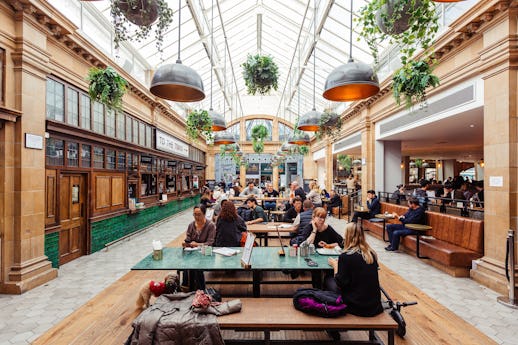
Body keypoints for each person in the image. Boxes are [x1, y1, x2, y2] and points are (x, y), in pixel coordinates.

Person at [326, 223, 384, 317]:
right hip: (374, 305)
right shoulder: (371, 254)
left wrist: (335, 265)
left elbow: (340, 283)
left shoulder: (345, 256)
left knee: (328, 279)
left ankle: (334, 315)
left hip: (356, 306)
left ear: (348, 236)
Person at [182, 204, 216, 290]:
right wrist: (185, 243)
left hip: (206, 253)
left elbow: (210, 243)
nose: (196, 217)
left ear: (204, 214)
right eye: (194, 214)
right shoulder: (191, 225)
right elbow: (188, 239)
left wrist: (197, 244)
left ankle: (201, 290)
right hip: (193, 253)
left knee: (197, 267)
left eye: (199, 214)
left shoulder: (210, 225)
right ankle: (187, 287)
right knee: (185, 265)